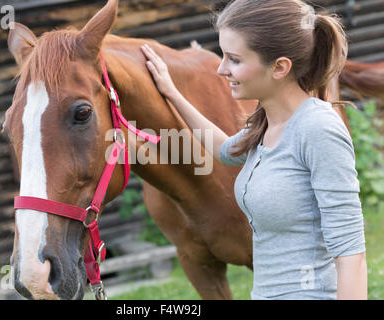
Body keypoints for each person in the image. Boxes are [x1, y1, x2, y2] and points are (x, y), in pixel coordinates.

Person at [140, 0, 367, 300]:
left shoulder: (317, 129)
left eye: (234, 59)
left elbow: (351, 253)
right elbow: (223, 149)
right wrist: (172, 93)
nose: (221, 69)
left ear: (280, 67)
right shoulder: (265, 125)